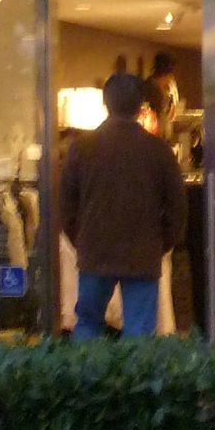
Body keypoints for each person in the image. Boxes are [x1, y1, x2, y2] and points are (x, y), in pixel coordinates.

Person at [60, 70, 188, 340]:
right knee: (139, 333)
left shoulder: (82, 148)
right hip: (142, 252)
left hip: (95, 250)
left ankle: (88, 368)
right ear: (141, 106)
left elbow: (67, 205)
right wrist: (161, 243)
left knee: (88, 325)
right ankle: (133, 370)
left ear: (105, 103)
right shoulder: (158, 150)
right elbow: (177, 208)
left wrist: (81, 240)